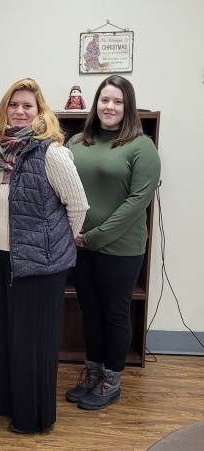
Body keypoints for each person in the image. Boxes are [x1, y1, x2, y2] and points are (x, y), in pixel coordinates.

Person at [0, 78, 88, 433]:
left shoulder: (51, 152)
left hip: (39, 263)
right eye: (14, 105)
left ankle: (32, 416)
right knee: (5, 334)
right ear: (4, 109)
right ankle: (4, 400)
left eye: (28, 106)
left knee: (32, 341)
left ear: (40, 113)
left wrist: (55, 242)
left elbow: (78, 205)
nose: (20, 112)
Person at [65, 75, 161, 410]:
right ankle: (92, 373)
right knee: (89, 312)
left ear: (128, 107)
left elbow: (137, 202)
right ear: (96, 103)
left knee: (115, 313)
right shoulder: (78, 141)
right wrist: (73, 234)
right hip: (78, 245)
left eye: (118, 101)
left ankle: (111, 379)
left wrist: (93, 237)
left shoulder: (141, 146)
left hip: (119, 248)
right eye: (105, 99)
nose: (110, 106)